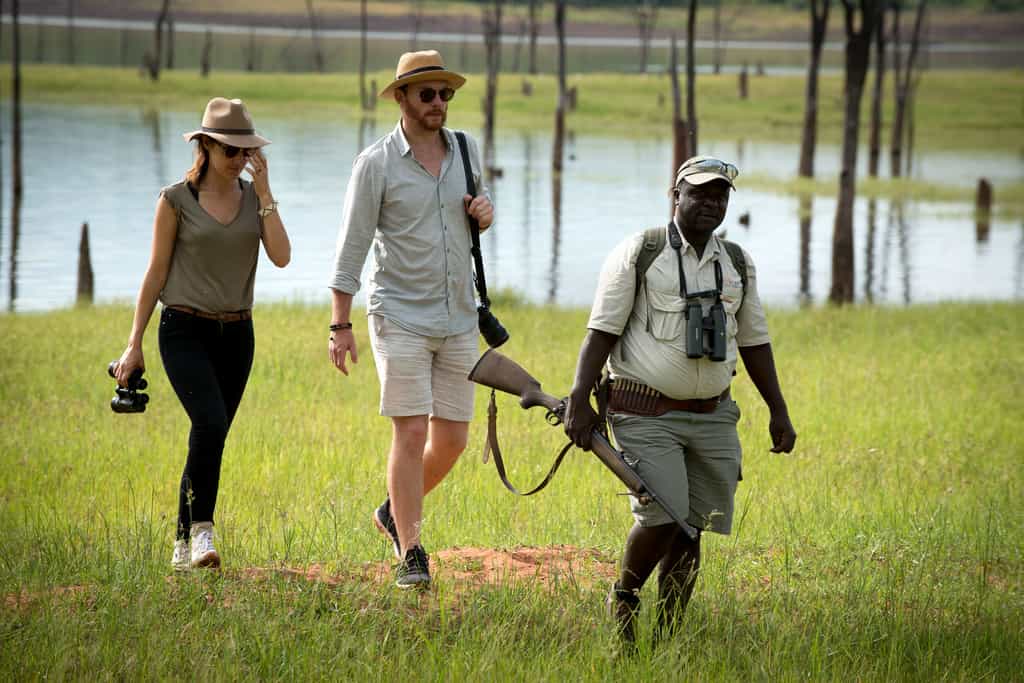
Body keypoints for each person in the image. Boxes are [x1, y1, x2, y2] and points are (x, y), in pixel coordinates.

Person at [563, 156, 796, 648]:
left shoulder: (736, 262)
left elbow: (754, 341)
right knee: (663, 515)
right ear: (676, 196)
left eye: (721, 195)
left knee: (694, 529)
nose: (711, 203)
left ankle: (668, 641)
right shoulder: (641, 251)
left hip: (713, 416)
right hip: (644, 411)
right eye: (701, 193)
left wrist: (778, 409)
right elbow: (600, 331)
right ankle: (624, 597)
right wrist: (579, 399)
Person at [328, 50, 495, 589]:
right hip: (398, 313)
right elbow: (351, 248)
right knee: (411, 429)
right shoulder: (375, 163)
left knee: (452, 440)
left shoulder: (467, 148)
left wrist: (485, 214)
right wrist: (340, 323)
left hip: (459, 316)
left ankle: (390, 513)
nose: (439, 103)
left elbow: (480, 207)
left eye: (445, 93)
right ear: (401, 98)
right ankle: (412, 550)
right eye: (427, 94)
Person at [113, 97, 291, 571]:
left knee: (210, 436)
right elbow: (154, 274)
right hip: (184, 329)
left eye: (245, 152)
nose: (239, 161)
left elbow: (282, 256)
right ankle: (201, 533)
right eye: (230, 151)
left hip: (238, 335)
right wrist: (134, 344)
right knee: (210, 424)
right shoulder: (175, 200)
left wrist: (267, 189)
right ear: (206, 146)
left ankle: (180, 545)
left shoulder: (255, 200)